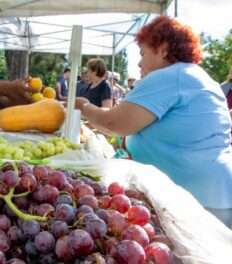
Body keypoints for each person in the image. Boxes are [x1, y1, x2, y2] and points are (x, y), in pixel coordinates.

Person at [75, 16, 232, 226]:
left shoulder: (170, 76)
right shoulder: (193, 76)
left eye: (143, 53)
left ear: (163, 49)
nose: (139, 62)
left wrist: (84, 106)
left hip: (197, 200)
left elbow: (114, 123)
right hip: (211, 193)